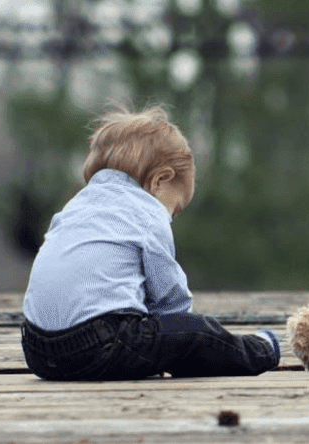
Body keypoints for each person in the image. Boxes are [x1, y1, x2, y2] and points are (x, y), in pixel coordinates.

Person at [20, 104, 280, 380]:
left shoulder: (75, 206)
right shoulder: (146, 212)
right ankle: (262, 350)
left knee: (155, 336)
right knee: (198, 333)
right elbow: (170, 298)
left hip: (37, 350)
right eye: (175, 208)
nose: (170, 217)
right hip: (99, 346)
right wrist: (178, 334)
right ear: (159, 180)